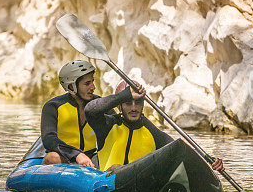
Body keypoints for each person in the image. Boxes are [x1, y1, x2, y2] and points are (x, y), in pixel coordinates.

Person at [85, 80, 225, 172]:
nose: (134, 108)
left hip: (141, 185)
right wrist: (124, 94)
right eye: (128, 103)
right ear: (119, 106)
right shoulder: (108, 125)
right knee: (116, 168)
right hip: (107, 184)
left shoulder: (150, 130)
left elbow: (180, 148)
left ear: (144, 104)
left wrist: (208, 160)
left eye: (138, 102)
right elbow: (90, 111)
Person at [40, 60, 99, 168]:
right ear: (72, 86)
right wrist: (76, 154)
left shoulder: (98, 103)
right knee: (52, 157)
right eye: (87, 83)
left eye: (92, 82)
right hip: (64, 158)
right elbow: (48, 139)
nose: (93, 87)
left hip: (92, 159)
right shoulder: (53, 106)